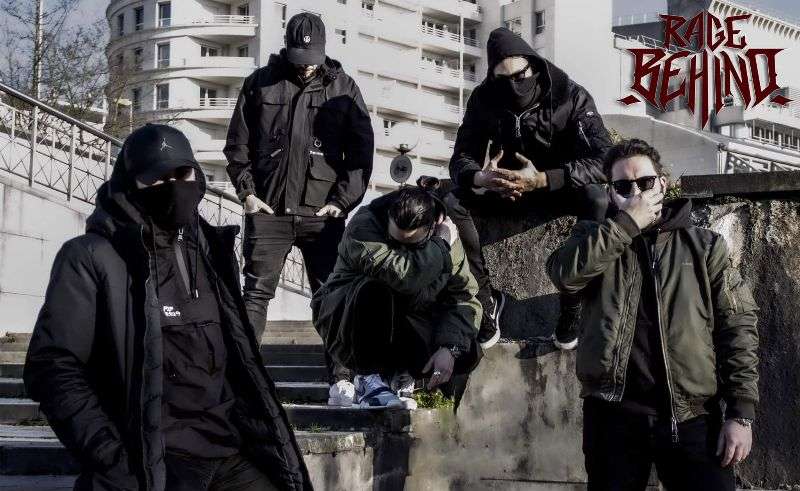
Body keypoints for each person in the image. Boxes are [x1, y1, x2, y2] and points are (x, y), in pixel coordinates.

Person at [24, 124, 311, 491]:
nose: (173, 186)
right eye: (156, 178)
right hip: (152, 463)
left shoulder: (212, 252)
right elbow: (53, 366)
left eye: (182, 174)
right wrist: (112, 457)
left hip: (228, 452)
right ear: (130, 184)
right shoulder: (91, 257)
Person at [547, 139, 759, 490]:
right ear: (610, 192)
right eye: (623, 186)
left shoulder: (704, 246)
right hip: (613, 417)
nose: (636, 193)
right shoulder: (594, 237)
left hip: (692, 416)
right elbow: (564, 276)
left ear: (662, 183)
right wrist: (626, 225)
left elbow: (737, 327)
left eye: (645, 182)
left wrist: (740, 413)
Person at [223, 12, 374, 405]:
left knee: (331, 295)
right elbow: (237, 145)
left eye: (312, 58)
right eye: (299, 57)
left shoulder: (344, 87)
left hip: (321, 215)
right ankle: (243, 381)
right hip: (268, 210)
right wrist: (247, 194)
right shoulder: (260, 83)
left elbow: (361, 154)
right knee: (256, 294)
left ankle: (342, 380)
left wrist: (342, 201)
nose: (306, 65)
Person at [447, 27, 612, 350]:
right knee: (453, 202)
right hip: (508, 189)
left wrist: (545, 179)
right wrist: (480, 178)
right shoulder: (484, 99)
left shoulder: (570, 95)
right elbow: (461, 158)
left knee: (597, 198)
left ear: (533, 66)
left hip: (559, 187)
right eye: (502, 79)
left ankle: (573, 305)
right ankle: (485, 302)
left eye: (519, 76)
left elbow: (605, 158)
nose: (513, 85)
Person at [311, 184, 482, 408]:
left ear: (431, 228)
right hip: (345, 322)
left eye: (412, 244)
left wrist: (450, 348)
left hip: (408, 320)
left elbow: (463, 296)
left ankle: (401, 376)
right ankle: (367, 379)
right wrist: (440, 246)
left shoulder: (449, 238)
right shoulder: (364, 225)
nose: (402, 247)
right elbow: (404, 275)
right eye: (395, 241)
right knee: (376, 289)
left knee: (468, 350)